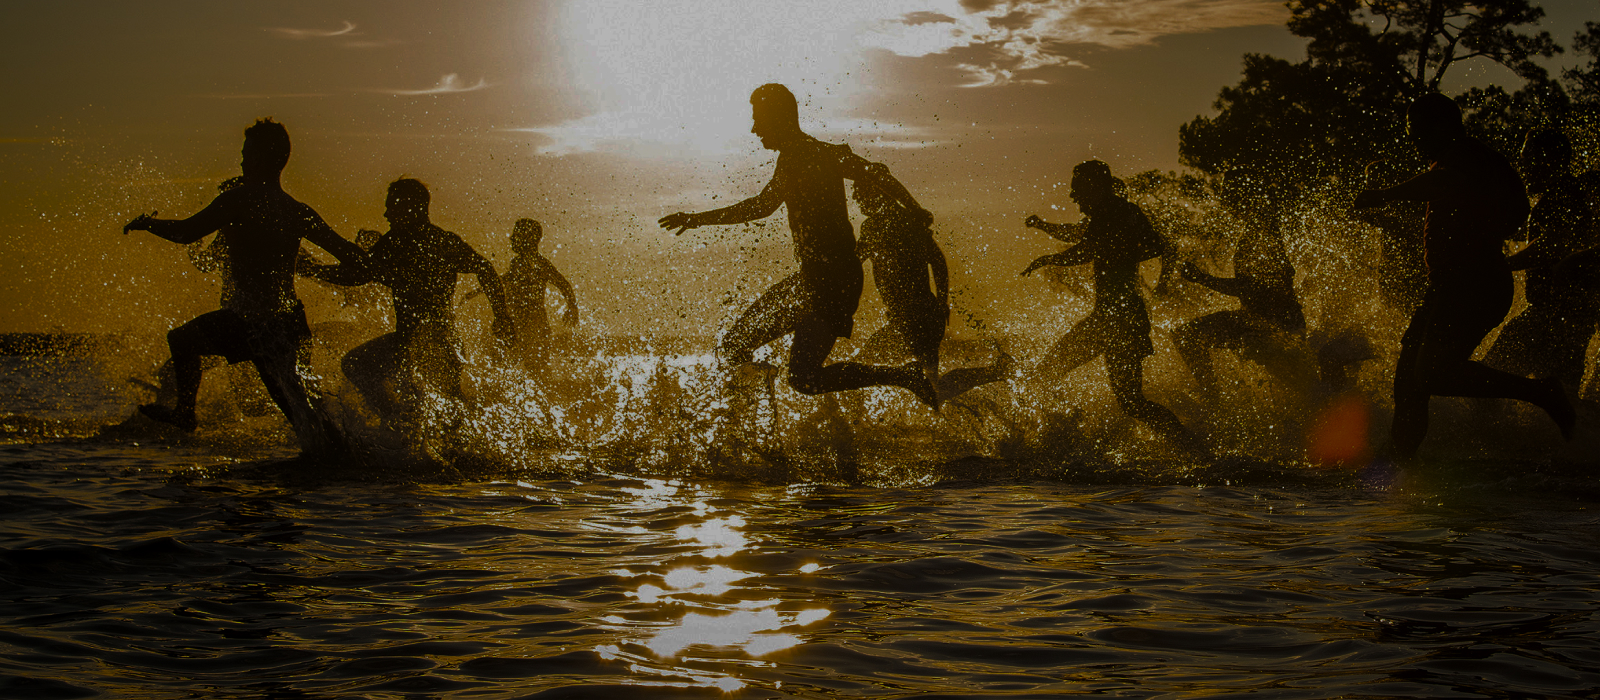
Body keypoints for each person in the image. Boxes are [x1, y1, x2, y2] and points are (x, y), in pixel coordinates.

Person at [658, 83, 937, 407]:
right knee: (792, 372)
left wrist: (914, 209)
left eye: (758, 119)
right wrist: (698, 219)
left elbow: (873, 173)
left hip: (832, 284)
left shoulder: (815, 154)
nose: (754, 129)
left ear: (778, 118)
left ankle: (751, 422)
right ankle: (902, 376)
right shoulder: (801, 158)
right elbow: (763, 205)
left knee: (759, 357)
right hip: (819, 281)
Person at [122, 118, 366, 457]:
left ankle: (184, 413)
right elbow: (349, 255)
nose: (240, 161)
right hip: (287, 324)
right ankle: (350, 454)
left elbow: (185, 232)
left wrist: (149, 223)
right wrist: (377, 266)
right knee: (300, 413)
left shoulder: (239, 199)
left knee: (181, 340)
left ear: (264, 158)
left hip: (251, 323)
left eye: (246, 153)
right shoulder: (296, 210)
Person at [1352, 94, 1574, 461]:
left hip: (1473, 283)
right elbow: (1512, 210)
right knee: (1408, 381)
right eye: (1411, 131)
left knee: (1433, 375)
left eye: (1419, 130)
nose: (1414, 139)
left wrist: (1386, 195)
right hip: (1451, 285)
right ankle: (1394, 462)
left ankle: (1542, 393)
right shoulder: (1472, 159)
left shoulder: (1464, 155)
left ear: (1445, 126)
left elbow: (1445, 184)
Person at [1022, 160, 1203, 453]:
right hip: (1119, 317)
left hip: (1117, 319)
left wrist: (1051, 259)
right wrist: (1043, 227)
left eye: (1077, 189)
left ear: (1095, 187)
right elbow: (1084, 237)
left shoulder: (1113, 212)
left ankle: (1047, 448)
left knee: (1046, 375)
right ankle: (1192, 446)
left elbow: (1089, 249)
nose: (1073, 196)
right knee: (1131, 400)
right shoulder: (1115, 213)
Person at [304, 178, 516, 425]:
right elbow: (486, 269)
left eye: (391, 207)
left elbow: (357, 274)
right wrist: (501, 316)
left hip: (431, 340)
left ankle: (403, 423)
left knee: (445, 405)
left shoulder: (410, 242)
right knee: (360, 367)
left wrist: (313, 270)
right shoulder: (425, 240)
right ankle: (401, 421)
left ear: (411, 207)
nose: (386, 214)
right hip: (423, 339)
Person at [852, 179, 1011, 402]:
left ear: (878, 195)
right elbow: (938, 261)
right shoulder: (909, 222)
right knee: (931, 388)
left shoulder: (876, 226)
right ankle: (996, 371)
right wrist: (942, 301)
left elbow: (853, 261)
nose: (856, 200)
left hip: (915, 315)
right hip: (922, 313)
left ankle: (997, 371)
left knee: (865, 366)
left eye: (860, 193)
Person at [1174, 168, 1313, 399]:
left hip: (1271, 324)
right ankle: (1214, 401)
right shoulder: (1260, 226)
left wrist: (1202, 279)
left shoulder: (1262, 229)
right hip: (1266, 321)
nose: (1224, 199)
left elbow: (1250, 287)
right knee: (1296, 393)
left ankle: (1214, 403)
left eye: (1229, 193)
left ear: (1245, 194)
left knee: (1187, 336)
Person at [1482, 129, 1599, 387]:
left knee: (1485, 384)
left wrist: (1499, 266)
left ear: (1550, 161)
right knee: (1558, 404)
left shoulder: (1562, 195)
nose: (1522, 167)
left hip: (1550, 321)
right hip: (1570, 322)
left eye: (1528, 159)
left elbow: (1553, 245)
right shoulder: (1564, 194)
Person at [500, 218, 578, 373]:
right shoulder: (517, 262)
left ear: (527, 239)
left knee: (535, 369)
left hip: (534, 326)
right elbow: (506, 279)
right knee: (522, 369)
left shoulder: (539, 263)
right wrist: (481, 289)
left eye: (516, 234)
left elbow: (563, 284)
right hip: (520, 325)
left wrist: (572, 307)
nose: (512, 238)